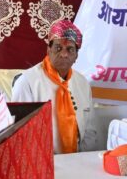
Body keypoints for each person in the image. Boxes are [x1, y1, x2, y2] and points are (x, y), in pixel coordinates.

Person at [13, 20, 97, 153]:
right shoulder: (27, 83)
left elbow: (90, 131)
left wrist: (82, 160)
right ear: (48, 50)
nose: (64, 54)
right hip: (41, 161)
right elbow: (20, 133)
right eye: (58, 48)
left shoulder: (83, 84)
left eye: (70, 49)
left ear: (76, 56)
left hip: (78, 160)